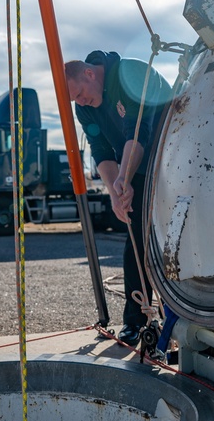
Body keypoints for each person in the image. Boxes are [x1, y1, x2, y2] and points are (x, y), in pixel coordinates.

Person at [65, 50, 172, 346]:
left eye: (81, 94)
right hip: (134, 162)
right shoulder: (84, 109)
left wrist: (124, 178)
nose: (81, 102)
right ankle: (136, 322)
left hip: (172, 153)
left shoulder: (129, 74)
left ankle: (181, 316)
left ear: (89, 73)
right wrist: (116, 193)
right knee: (135, 240)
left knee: (174, 238)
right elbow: (100, 150)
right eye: (76, 100)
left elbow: (138, 133)